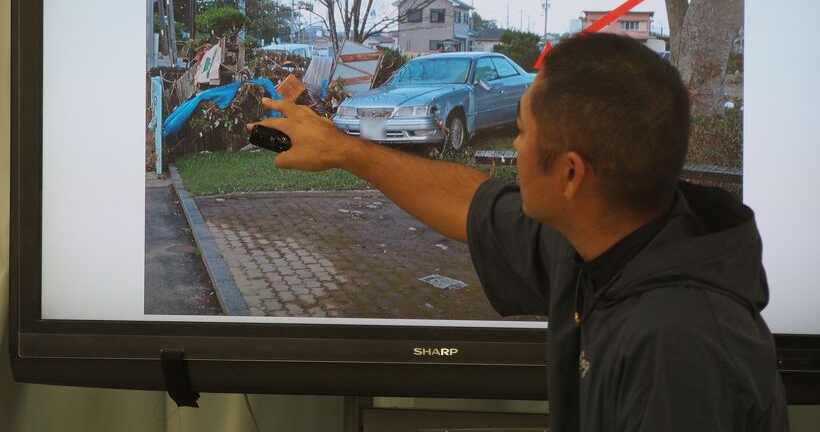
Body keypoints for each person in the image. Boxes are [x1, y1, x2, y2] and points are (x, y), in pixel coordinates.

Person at [247, 32, 787, 431]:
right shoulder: (599, 240)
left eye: (523, 133)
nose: (515, 150)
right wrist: (344, 149)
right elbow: (468, 200)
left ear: (571, 174)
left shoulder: (678, 346)